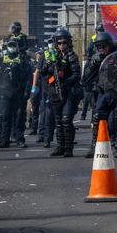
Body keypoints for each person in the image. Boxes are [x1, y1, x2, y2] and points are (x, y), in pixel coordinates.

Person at [82, 32, 117, 158]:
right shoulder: (96, 58)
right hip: (103, 92)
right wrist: (93, 64)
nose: (102, 49)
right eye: (99, 47)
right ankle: (95, 146)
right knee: (97, 117)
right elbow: (85, 78)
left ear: (110, 45)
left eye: (104, 46)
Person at [40, 28, 81, 157]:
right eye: (59, 43)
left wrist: (65, 81)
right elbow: (43, 73)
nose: (61, 45)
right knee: (58, 121)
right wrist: (48, 65)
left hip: (69, 92)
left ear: (68, 43)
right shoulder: (53, 56)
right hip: (55, 92)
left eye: (64, 43)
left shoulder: (72, 56)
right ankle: (60, 146)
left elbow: (76, 75)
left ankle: (68, 148)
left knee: (66, 119)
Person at [0, 39, 31, 148]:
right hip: (6, 92)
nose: (12, 48)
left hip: (19, 92)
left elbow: (28, 76)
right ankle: (4, 141)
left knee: (20, 117)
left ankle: (19, 139)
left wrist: (27, 91)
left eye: (14, 45)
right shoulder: (2, 59)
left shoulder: (22, 59)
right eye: (10, 45)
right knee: (6, 117)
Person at [81, 23, 106, 121]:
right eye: (99, 30)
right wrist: (90, 58)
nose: (100, 32)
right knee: (88, 66)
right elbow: (90, 49)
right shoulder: (93, 38)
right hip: (95, 58)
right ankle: (84, 81)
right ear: (96, 31)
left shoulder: (105, 37)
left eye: (101, 30)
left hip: (104, 57)